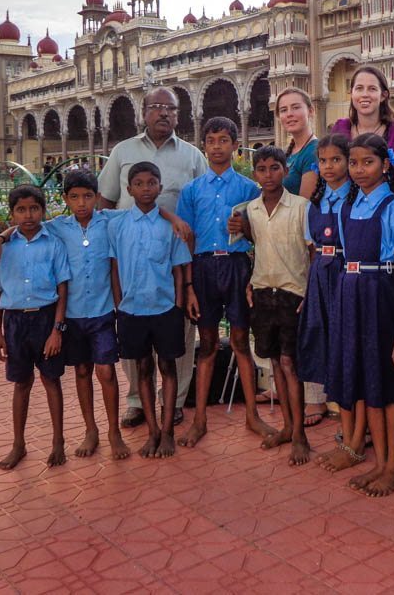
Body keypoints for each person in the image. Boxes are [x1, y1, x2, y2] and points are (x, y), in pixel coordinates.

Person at [0, 171, 131, 461]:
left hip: (101, 312)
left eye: (88, 196)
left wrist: (173, 218)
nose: (81, 203)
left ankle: (115, 432)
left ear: (98, 198)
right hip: (72, 317)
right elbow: (23, 227)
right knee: (82, 371)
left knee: (105, 372)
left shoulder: (108, 221)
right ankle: (91, 430)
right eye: (74, 197)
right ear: (64, 200)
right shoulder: (57, 227)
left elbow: (141, 209)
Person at [98, 86, 207, 429]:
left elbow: (203, 206)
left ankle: (173, 401)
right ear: (143, 112)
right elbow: (103, 203)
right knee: (132, 334)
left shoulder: (192, 156)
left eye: (170, 108)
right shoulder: (122, 152)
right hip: (130, 262)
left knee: (180, 335)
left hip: (175, 264)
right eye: (156, 107)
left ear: (179, 114)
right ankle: (136, 401)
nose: (163, 113)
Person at [175, 117, 274, 449]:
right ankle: (200, 420)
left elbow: (261, 235)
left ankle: (252, 416)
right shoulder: (192, 190)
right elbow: (185, 241)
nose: (217, 146)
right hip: (203, 268)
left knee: (241, 340)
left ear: (234, 144)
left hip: (236, 266)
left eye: (223, 140)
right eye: (211, 140)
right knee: (206, 344)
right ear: (204, 145)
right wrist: (188, 286)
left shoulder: (248, 189)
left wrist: (243, 227)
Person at [331, 134, 394, 497]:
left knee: (387, 384)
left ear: (385, 164)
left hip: (381, 294)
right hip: (351, 293)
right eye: (354, 162)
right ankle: (379, 462)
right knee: (367, 380)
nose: (359, 170)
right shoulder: (346, 207)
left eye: (368, 162)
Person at [108, 161, 192, 458]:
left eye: (152, 182)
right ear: (129, 189)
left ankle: (168, 431)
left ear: (160, 187)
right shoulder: (118, 225)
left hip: (165, 308)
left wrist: (179, 304)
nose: (146, 188)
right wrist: (120, 305)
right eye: (139, 183)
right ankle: (153, 432)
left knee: (168, 368)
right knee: (143, 369)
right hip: (132, 310)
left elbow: (180, 268)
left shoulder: (169, 226)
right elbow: (115, 268)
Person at [0, 184, 72, 470]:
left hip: (46, 318)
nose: (28, 215)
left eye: (34, 208)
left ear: (43, 210)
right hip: (14, 322)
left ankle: (58, 442)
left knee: (51, 380)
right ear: (12, 213)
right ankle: (18, 444)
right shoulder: (4, 248)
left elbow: (63, 288)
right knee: (21, 383)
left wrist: (56, 330)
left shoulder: (53, 244)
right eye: (21, 210)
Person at [242, 146, 313, 465]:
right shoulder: (251, 210)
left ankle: (300, 435)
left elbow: (312, 253)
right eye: (261, 169)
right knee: (273, 363)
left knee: (289, 364)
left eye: (274, 168)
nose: (268, 174)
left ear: (285, 170)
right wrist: (250, 282)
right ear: (255, 174)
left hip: (292, 293)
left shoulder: (301, 207)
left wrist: (310, 292)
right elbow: (257, 248)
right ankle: (286, 426)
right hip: (262, 293)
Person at [301, 135, 364, 473]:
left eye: (335, 160)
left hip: (345, 274)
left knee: (348, 350)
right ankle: (345, 424)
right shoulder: (318, 198)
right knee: (328, 349)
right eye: (322, 161)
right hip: (321, 276)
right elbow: (312, 248)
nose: (329, 167)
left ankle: (356, 433)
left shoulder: (354, 201)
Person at [275, 87, 329, 428]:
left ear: (310, 110)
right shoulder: (288, 151)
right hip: (281, 243)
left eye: (296, 107)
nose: (290, 114)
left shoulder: (314, 151)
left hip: (306, 239)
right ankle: (288, 387)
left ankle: (316, 398)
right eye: (284, 109)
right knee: (284, 316)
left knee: (308, 316)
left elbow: (303, 200)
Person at [331, 65, 394, 155]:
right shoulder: (339, 130)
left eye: (372, 89)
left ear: (383, 95)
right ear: (351, 93)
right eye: (359, 88)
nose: (365, 94)